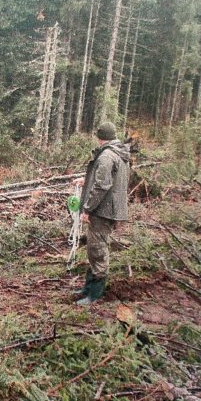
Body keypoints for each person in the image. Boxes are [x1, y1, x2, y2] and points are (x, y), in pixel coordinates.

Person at [73, 121, 130, 306]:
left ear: (100, 137)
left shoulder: (106, 156)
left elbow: (102, 185)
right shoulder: (118, 152)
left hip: (102, 210)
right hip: (110, 209)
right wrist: (86, 179)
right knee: (93, 247)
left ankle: (94, 295)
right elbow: (107, 179)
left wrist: (87, 209)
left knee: (97, 250)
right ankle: (88, 289)